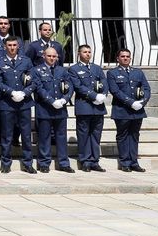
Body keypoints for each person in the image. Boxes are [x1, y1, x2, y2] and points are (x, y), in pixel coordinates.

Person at [0, 36, 36, 174]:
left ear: (18, 47)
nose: (12, 47)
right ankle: (6, 162)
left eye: (14, 45)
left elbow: (33, 81)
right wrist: (11, 93)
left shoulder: (26, 61)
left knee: (26, 134)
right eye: (9, 45)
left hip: (24, 103)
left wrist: (24, 93)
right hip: (7, 103)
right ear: (5, 46)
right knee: (7, 134)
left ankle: (28, 162)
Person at [107, 48, 150, 172]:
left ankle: (134, 162)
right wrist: (131, 102)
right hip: (122, 110)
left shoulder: (138, 72)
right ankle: (125, 162)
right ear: (118, 58)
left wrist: (143, 102)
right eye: (123, 56)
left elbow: (146, 88)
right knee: (123, 136)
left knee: (135, 135)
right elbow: (115, 91)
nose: (125, 58)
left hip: (137, 111)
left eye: (127, 56)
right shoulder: (112, 73)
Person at [33, 46, 75, 173]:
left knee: (61, 137)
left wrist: (64, 100)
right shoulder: (37, 70)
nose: (52, 58)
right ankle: (44, 163)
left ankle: (63, 163)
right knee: (44, 137)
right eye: (49, 56)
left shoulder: (62, 70)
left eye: (54, 56)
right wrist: (51, 101)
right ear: (43, 56)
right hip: (44, 109)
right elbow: (38, 88)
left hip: (60, 109)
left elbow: (69, 86)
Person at [69, 44, 108, 172]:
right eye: (85, 52)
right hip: (84, 106)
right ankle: (85, 160)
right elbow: (78, 86)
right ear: (79, 53)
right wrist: (94, 96)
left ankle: (94, 160)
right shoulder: (73, 69)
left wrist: (103, 95)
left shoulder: (97, 68)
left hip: (98, 107)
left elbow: (104, 82)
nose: (87, 54)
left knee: (96, 135)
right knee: (83, 134)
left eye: (89, 52)